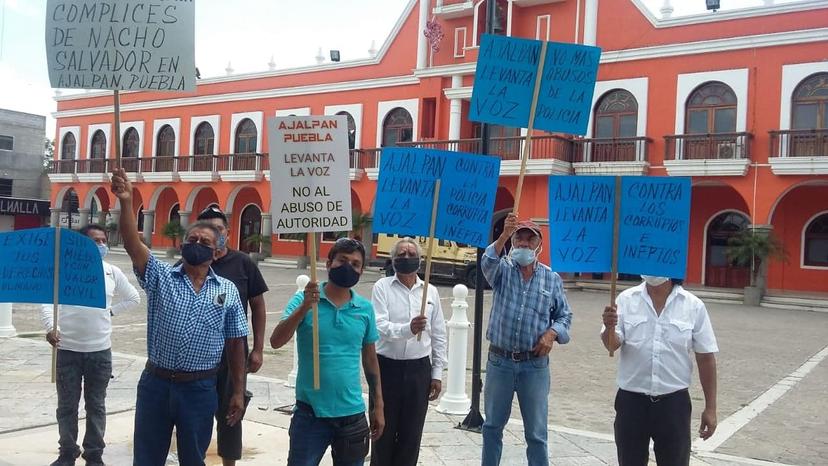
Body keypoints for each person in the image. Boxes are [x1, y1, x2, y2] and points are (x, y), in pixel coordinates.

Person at [110, 167, 249, 466]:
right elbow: (134, 245)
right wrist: (126, 200)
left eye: (204, 243)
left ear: (216, 252)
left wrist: (238, 391)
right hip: (156, 386)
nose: (196, 244)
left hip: (200, 389)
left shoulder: (227, 290)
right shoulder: (161, 276)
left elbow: (236, 343)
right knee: (146, 459)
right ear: (182, 243)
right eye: (191, 239)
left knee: (194, 459)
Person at [270, 237, 385, 466]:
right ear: (328, 262)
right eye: (342, 260)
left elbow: (370, 360)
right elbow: (276, 341)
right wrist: (304, 306)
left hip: (352, 415)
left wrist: (378, 406)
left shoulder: (364, 309)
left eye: (355, 264)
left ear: (361, 272)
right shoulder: (303, 300)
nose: (348, 267)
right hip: (310, 415)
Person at [41, 224, 141, 466]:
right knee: (67, 406)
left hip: (99, 351)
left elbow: (133, 298)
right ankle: (67, 452)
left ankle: (94, 454)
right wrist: (50, 327)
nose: (101, 245)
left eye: (103, 240)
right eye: (95, 241)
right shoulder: (63, 272)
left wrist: (109, 313)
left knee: (96, 405)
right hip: (68, 350)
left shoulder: (111, 272)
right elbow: (47, 302)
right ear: (81, 244)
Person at [481, 213, 572, 466]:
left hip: (534, 366)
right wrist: (502, 235)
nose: (523, 244)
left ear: (538, 245)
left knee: (536, 434)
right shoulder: (502, 271)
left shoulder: (551, 279)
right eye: (519, 238)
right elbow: (486, 263)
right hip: (500, 361)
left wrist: (552, 334)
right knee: (492, 427)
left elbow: (565, 316)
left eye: (529, 240)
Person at [601, 275, 719, 466]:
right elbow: (611, 345)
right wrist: (609, 328)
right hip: (632, 403)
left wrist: (711, 408)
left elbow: (706, 358)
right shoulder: (625, 299)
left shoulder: (693, 306)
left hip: (673, 404)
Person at [195, 206, 269, 466]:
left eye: (219, 229)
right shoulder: (191, 263)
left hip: (233, 355)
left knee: (232, 413)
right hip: (198, 357)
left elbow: (258, 306)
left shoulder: (243, 263)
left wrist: (258, 349)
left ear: (228, 231)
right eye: (208, 230)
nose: (215, 234)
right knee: (196, 415)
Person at [370, 237, 447, 466]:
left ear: (420, 260)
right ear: (393, 261)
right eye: (401, 254)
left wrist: (437, 374)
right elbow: (379, 326)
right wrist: (408, 329)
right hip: (386, 368)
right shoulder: (381, 288)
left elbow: (439, 336)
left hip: (418, 370)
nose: (406, 257)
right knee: (381, 430)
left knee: (411, 435)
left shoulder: (430, 292)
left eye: (411, 253)